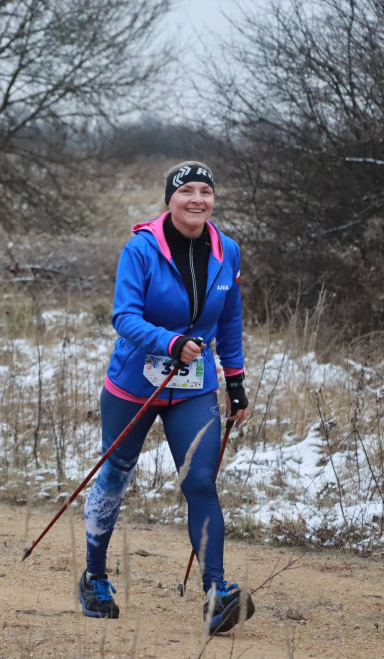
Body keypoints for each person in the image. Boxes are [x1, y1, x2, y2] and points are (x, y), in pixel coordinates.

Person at [78, 161, 253, 634]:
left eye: (205, 191)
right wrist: (169, 342)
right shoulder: (141, 249)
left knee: (200, 482)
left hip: (193, 386)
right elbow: (124, 316)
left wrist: (234, 380)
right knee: (115, 475)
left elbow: (230, 321)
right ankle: (95, 578)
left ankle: (217, 593)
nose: (197, 199)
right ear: (169, 200)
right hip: (136, 382)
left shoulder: (227, 251)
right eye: (187, 191)